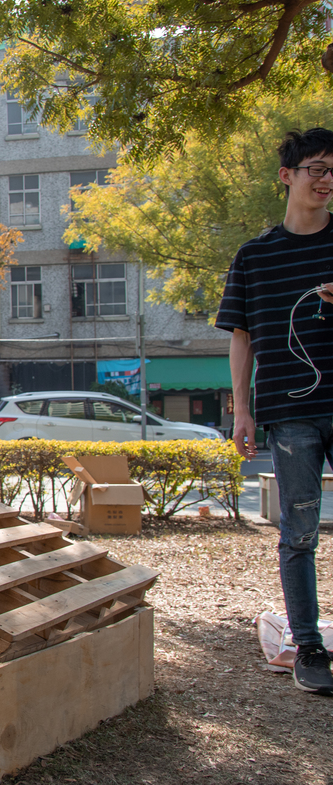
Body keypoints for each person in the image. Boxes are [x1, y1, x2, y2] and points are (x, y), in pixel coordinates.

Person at [217, 127, 333, 696]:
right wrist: (244, 411)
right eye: (316, 168)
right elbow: (242, 337)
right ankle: (309, 646)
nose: (327, 179)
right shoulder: (255, 255)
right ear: (287, 176)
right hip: (290, 415)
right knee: (299, 532)